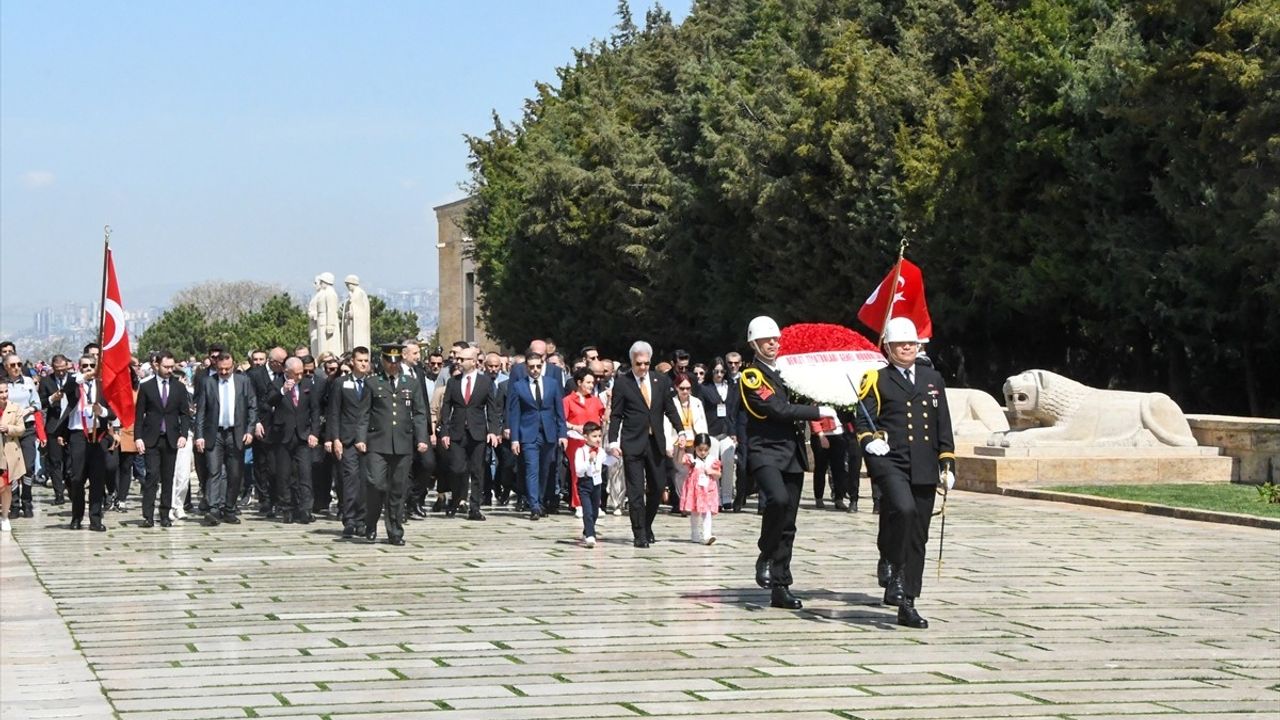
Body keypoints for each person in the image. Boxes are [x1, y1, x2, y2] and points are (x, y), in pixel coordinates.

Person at [854, 317, 955, 629]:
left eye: (912, 343)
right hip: (891, 460)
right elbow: (863, 421)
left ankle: (908, 601)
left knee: (918, 536)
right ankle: (894, 568)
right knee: (903, 509)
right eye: (900, 344)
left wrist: (947, 462)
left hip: (924, 464)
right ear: (888, 348)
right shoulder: (876, 378)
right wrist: (870, 442)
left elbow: (943, 423)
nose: (907, 348)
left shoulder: (932, 378)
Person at [739, 316, 837, 609]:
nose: (773, 344)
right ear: (754, 344)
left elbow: (803, 393)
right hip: (765, 450)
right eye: (767, 340)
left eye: (775, 339)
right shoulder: (752, 376)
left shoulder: (787, 373)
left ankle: (780, 584)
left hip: (791, 452)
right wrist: (818, 410)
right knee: (777, 501)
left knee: (789, 522)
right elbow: (778, 409)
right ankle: (765, 554)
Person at [607, 341, 686, 548]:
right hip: (632, 442)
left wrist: (681, 430)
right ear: (632, 362)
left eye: (646, 363)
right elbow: (616, 415)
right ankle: (639, 533)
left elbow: (670, 408)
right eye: (638, 363)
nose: (643, 367)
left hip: (655, 442)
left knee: (658, 486)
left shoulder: (659, 380)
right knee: (635, 491)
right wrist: (613, 441)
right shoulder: (623, 383)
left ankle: (647, 523)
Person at [361, 343, 429, 546]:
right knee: (376, 484)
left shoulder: (412, 383)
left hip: (402, 443)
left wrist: (422, 438)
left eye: (396, 362)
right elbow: (364, 414)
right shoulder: (373, 382)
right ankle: (371, 522)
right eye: (388, 362)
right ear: (382, 361)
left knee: (398, 489)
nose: (392, 366)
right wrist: (360, 439)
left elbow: (419, 413)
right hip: (377, 443)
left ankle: (395, 531)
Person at [438, 346, 502, 520]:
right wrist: (444, 431)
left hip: (478, 432)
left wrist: (493, 431)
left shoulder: (485, 382)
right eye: (457, 359)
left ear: (473, 362)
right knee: (457, 468)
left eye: (462, 359)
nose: (458, 362)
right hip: (457, 432)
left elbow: (492, 408)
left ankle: (474, 507)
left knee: (477, 470)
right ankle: (456, 500)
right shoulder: (453, 382)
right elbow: (446, 408)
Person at [55, 355, 117, 531]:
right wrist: (82, 378)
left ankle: (96, 519)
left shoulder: (103, 385)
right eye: (84, 366)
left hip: (98, 434)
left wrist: (102, 411)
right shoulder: (75, 383)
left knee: (97, 478)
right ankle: (76, 517)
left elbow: (113, 412)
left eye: (92, 365)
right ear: (78, 367)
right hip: (77, 434)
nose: (88, 368)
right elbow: (66, 388)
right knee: (77, 477)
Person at [194, 352, 257, 525]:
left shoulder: (243, 382)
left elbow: (252, 407)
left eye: (227, 369)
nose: (223, 372)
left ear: (233, 366)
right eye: (220, 369)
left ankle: (229, 508)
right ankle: (213, 509)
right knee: (214, 471)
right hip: (214, 433)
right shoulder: (208, 383)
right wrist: (199, 436)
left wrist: (250, 430)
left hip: (236, 433)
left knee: (235, 473)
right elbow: (201, 412)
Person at [134, 352, 193, 528]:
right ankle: (148, 515)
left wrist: (183, 434)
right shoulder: (146, 387)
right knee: (152, 475)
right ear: (156, 365)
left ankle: (165, 513)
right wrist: (138, 437)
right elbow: (139, 415)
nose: (169, 370)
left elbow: (185, 414)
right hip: (151, 437)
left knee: (168, 477)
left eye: (171, 367)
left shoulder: (178, 387)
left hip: (171, 438)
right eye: (166, 367)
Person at [507, 353, 567, 520]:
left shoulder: (552, 384)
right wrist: (515, 439)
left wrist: (562, 433)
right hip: (528, 433)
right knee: (531, 469)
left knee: (545, 470)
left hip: (549, 433)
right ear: (526, 367)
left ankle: (539, 501)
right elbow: (515, 414)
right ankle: (533, 505)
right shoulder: (519, 386)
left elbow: (559, 411)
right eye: (531, 367)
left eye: (538, 366)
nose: (535, 370)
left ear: (542, 366)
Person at [266, 357, 321, 524]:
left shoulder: (306, 384)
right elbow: (269, 402)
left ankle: (305, 509)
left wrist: (314, 432)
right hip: (283, 435)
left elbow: (315, 410)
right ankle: (287, 508)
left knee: (305, 474)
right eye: (295, 374)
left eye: (301, 373)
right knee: (284, 474)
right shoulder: (276, 384)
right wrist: (282, 391)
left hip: (303, 435)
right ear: (286, 372)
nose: (299, 376)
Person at [327, 346, 372, 538]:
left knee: (365, 481)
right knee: (350, 479)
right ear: (352, 361)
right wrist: (334, 438)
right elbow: (334, 412)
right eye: (360, 360)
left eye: (366, 360)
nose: (363, 364)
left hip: (368, 440)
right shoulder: (340, 383)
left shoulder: (373, 384)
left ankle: (363, 520)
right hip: (346, 439)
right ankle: (350, 519)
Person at [563, 367, 605, 517]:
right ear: (579, 382)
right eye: (588, 382)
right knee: (578, 472)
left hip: (594, 442)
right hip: (576, 440)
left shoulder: (595, 400)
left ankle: (596, 504)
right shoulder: (568, 400)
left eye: (592, 382)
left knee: (595, 471)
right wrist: (575, 427)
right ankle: (578, 503)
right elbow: (562, 420)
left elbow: (604, 417)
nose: (591, 385)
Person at [665, 372, 708, 513]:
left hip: (694, 439)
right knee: (680, 472)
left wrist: (704, 441)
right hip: (677, 439)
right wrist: (668, 445)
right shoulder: (671, 402)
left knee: (695, 471)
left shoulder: (696, 402)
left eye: (688, 388)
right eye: (682, 388)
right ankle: (683, 502)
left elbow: (702, 422)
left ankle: (695, 501)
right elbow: (666, 424)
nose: (685, 391)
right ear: (676, 387)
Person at [681, 433, 721, 545]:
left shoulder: (712, 460)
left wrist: (712, 472)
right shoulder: (692, 459)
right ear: (695, 447)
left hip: (708, 490)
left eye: (706, 450)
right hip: (695, 491)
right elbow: (682, 461)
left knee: (707, 512)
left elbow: (718, 474)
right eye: (700, 449)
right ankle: (694, 533)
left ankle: (707, 534)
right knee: (695, 513)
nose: (703, 452)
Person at [574, 421, 605, 547]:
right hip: (584, 483)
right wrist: (589, 460)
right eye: (594, 436)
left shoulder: (600, 451)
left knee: (595, 511)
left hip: (597, 483)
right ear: (586, 436)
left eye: (599, 436)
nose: (597, 439)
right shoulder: (580, 451)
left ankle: (587, 530)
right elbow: (578, 470)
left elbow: (606, 461)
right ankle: (590, 535)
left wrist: (616, 456)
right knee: (587, 511)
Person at [1, 382, 25, 532]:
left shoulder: (14, 408)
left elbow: (21, 429)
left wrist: (8, 428)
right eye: (0, 392)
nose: (4, 395)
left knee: (6, 487)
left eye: (5, 392)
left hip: (8, 452)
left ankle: (4, 516)